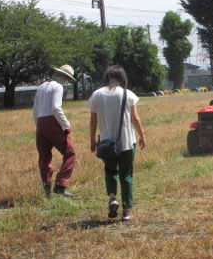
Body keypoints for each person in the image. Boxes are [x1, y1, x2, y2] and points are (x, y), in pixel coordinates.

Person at [87, 65, 146, 221]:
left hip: (106, 141)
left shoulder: (97, 95)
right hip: (126, 141)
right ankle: (127, 210)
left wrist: (92, 139)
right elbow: (135, 118)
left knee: (110, 171)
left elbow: (93, 120)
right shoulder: (128, 94)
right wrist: (142, 135)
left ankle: (113, 198)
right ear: (122, 78)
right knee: (126, 175)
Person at [32, 64, 77, 198]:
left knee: (44, 157)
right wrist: (66, 125)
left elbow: (35, 108)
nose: (67, 81)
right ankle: (61, 185)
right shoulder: (58, 87)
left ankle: (47, 192)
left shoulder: (41, 87)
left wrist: (39, 125)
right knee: (70, 153)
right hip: (52, 122)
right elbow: (56, 107)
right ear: (63, 77)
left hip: (40, 122)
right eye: (68, 78)